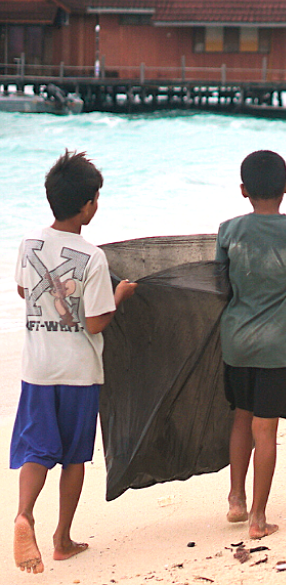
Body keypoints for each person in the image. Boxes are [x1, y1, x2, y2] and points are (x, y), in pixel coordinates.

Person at [11, 151, 137, 573]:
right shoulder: (92, 257)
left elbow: (24, 291)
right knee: (73, 457)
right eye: (96, 198)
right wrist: (119, 297)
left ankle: (24, 514)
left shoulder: (29, 243)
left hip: (37, 370)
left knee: (36, 449)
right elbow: (96, 322)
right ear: (87, 206)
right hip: (78, 373)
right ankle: (62, 540)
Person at [217, 150, 286, 539]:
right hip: (279, 348)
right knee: (265, 430)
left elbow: (220, 279)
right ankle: (258, 519)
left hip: (237, 343)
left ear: (243, 190)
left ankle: (236, 498)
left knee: (241, 418)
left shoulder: (228, 230)